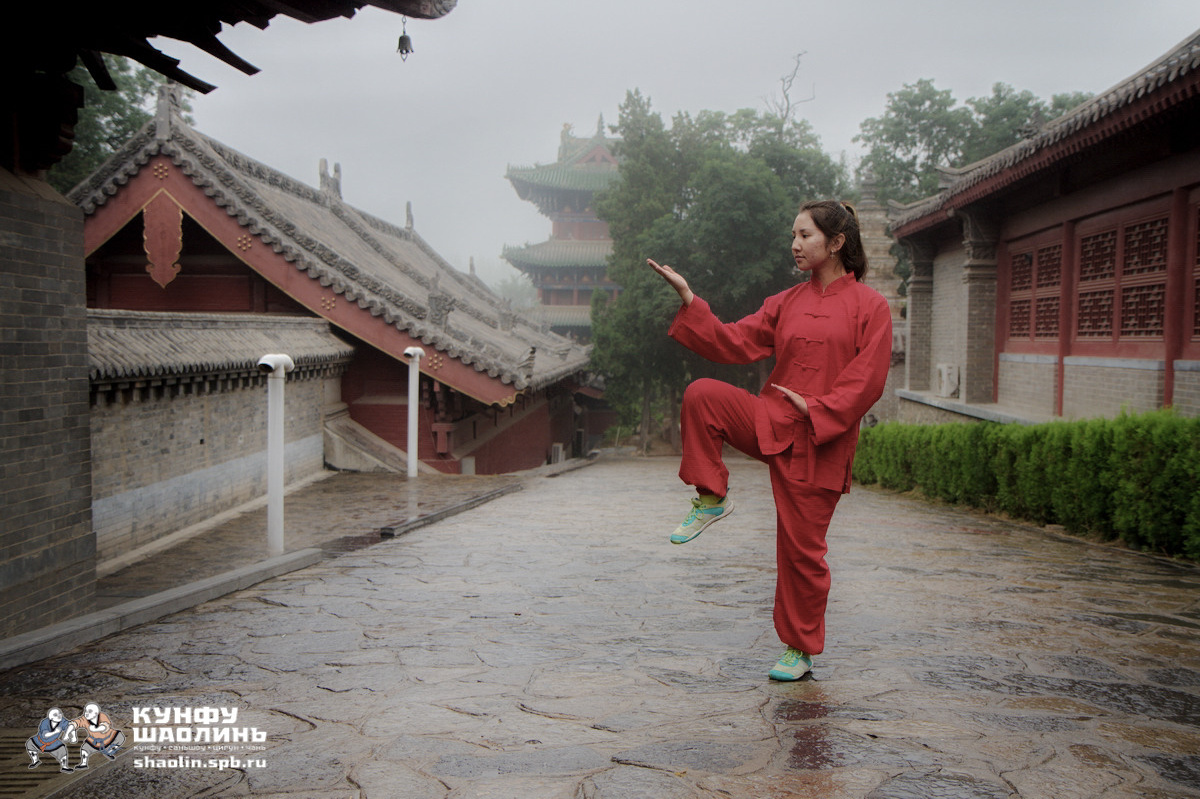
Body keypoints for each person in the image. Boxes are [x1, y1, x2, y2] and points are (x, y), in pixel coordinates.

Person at [648, 199, 892, 681]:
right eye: (794, 236)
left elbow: (869, 378)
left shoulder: (871, 306)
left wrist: (820, 408)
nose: (795, 245)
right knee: (703, 394)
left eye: (805, 236)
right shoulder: (787, 302)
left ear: (836, 242)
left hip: (822, 440)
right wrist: (691, 301)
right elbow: (732, 342)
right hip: (773, 420)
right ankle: (711, 496)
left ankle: (798, 650)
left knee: (801, 550)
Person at [71, 702, 124, 768]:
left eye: (89, 711)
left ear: (96, 713)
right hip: (94, 741)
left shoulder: (102, 716)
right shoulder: (84, 719)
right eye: (86, 711)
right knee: (84, 749)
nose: (86, 713)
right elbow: (77, 722)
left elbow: (105, 726)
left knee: (120, 737)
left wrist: (96, 729)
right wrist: (72, 728)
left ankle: (110, 750)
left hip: (108, 737)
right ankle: (83, 763)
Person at [26, 707, 75, 772]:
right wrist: (55, 732)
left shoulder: (62, 721)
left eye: (60, 714)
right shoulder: (45, 722)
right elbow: (45, 735)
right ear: (51, 717)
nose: (59, 716)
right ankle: (35, 761)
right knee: (30, 743)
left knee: (62, 750)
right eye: (55, 715)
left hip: (53, 743)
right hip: (39, 741)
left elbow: (71, 726)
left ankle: (64, 767)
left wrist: (71, 736)